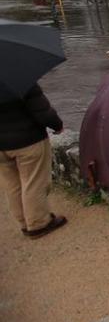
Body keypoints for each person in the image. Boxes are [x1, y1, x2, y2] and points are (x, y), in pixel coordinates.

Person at [0, 83, 67, 238]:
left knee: (12, 184)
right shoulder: (21, 78)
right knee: (33, 182)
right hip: (27, 141)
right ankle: (38, 224)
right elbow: (43, 112)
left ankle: (24, 222)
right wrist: (57, 125)